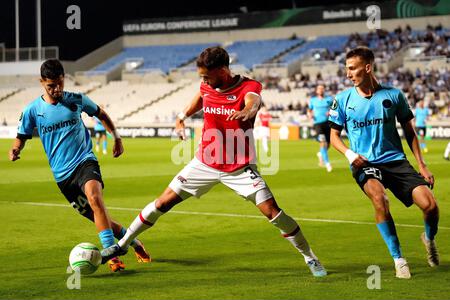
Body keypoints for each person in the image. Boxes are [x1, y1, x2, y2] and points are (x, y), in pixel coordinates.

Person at [101, 46, 327, 277]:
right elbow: (200, 98)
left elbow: (253, 101)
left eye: (207, 76)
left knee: (274, 213)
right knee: (162, 203)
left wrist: (247, 111)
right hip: (204, 163)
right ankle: (123, 244)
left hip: (240, 167)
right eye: (202, 77)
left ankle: (310, 257)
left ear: (223, 70)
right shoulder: (207, 86)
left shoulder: (248, 87)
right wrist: (181, 118)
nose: (204, 81)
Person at [8, 59, 150, 272]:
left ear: (64, 79)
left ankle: (112, 257)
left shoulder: (76, 100)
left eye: (60, 83)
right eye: (51, 85)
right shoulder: (32, 110)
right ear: (41, 82)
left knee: (95, 198)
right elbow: (21, 136)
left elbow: (100, 113)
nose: (56, 89)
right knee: (101, 219)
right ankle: (134, 242)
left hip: (84, 161)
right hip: (63, 177)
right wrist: (15, 149)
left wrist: (117, 137)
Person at [328, 47, 440, 279]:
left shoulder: (394, 95)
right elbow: (333, 137)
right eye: (346, 69)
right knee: (380, 199)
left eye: (352, 68)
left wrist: (422, 164)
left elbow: (410, 132)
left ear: (367, 68)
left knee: (430, 206)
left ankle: (428, 239)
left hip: (396, 161)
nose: (348, 74)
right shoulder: (342, 99)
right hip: (365, 163)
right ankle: (399, 259)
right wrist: (350, 155)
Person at [308, 85, 333, 172]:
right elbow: (309, 110)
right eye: (319, 88)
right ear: (316, 91)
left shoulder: (329, 99)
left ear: (324, 90)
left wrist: (330, 111)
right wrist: (310, 114)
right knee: (323, 142)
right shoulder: (313, 100)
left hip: (328, 123)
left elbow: (335, 108)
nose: (321, 90)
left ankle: (320, 153)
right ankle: (327, 163)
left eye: (322, 88)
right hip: (317, 124)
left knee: (329, 144)